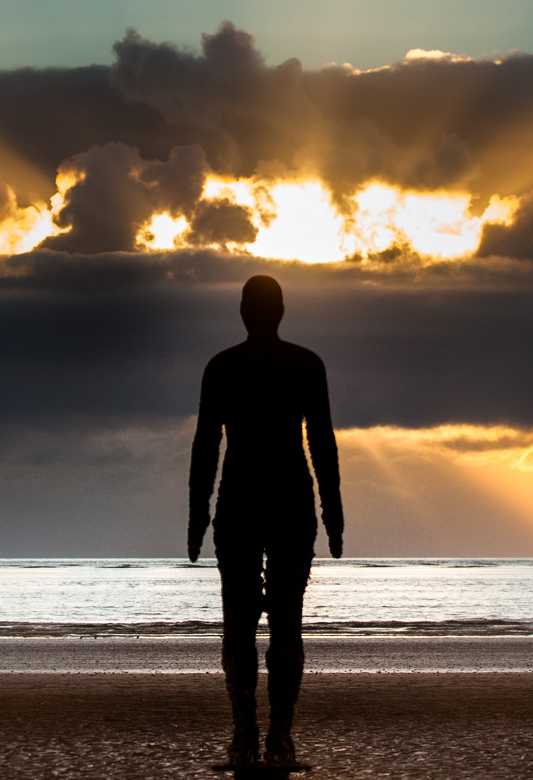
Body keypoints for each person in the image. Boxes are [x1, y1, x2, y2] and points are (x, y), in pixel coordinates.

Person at [187, 275, 344, 768]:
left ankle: (252, 737)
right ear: (279, 311)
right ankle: (272, 737)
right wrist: (333, 513)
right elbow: (323, 444)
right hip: (286, 504)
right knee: (284, 625)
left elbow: (206, 448)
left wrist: (197, 516)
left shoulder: (225, 366)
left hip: (243, 504)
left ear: (243, 312)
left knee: (242, 628)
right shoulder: (302, 364)